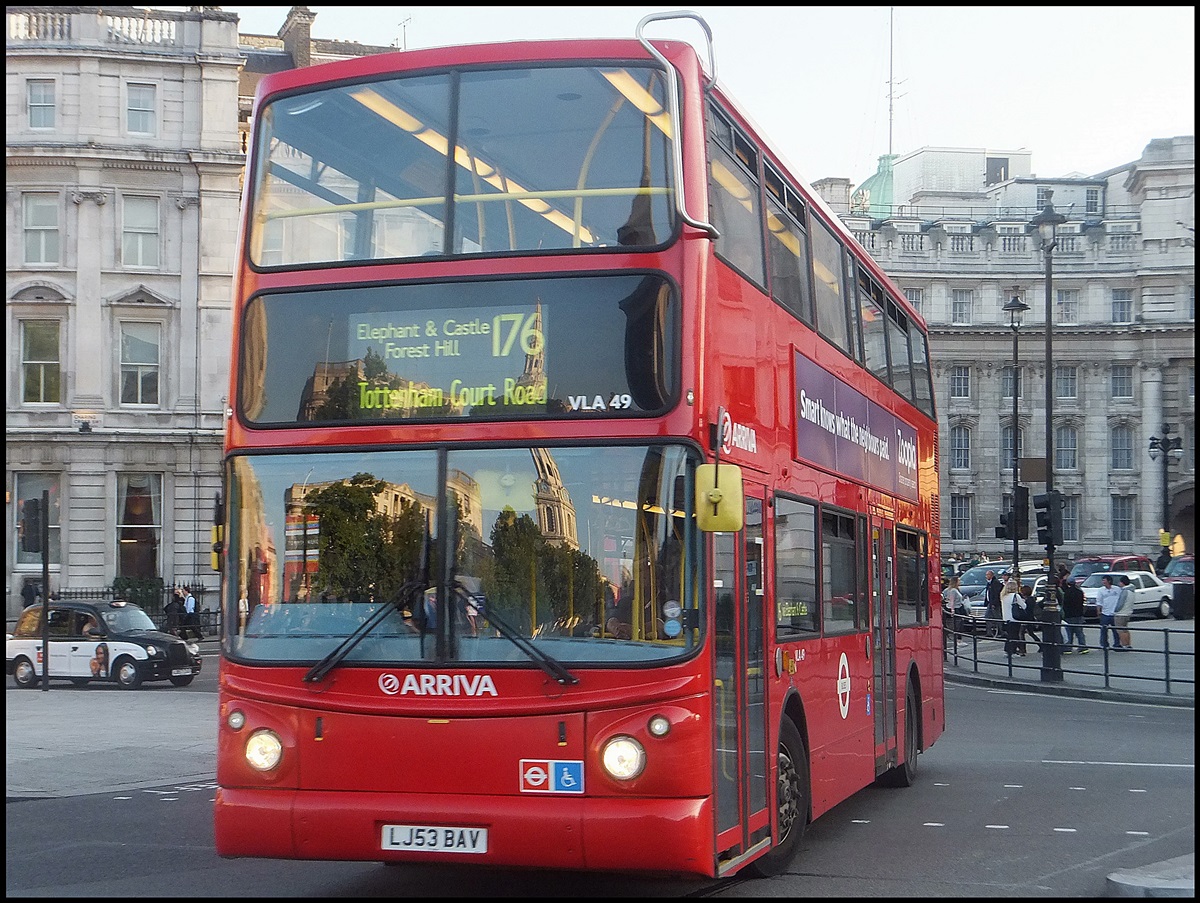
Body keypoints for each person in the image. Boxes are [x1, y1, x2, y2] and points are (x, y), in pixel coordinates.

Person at [1060, 577, 1089, 654]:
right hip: (1078, 614)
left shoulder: (1066, 593)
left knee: (1069, 632)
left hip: (1069, 614)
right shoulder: (1079, 592)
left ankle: (1068, 648)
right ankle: (1083, 647)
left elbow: (1064, 604)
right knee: (1079, 632)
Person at [1095, 574, 1123, 650]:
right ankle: (1104, 644)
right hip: (1105, 613)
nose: (1103, 582)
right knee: (1104, 630)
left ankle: (1117, 644)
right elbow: (1099, 601)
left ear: (1109, 581)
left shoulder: (1117, 589)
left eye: (1104, 580)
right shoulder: (1101, 590)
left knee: (1116, 630)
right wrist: (1099, 611)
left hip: (1115, 613)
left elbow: (1121, 599)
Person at [1000, 576, 1026, 656]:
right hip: (1014, 618)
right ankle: (1013, 651)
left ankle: (1007, 650)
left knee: (1009, 635)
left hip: (1006, 618)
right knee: (1014, 635)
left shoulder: (1004, 596)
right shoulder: (1015, 596)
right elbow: (1024, 606)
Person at [1114, 575, 1136, 650]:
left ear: (1122, 582)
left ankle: (1124, 645)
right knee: (1125, 630)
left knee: (1120, 630)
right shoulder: (1132, 591)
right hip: (1128, 612)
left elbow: (1121, 603)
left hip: (1121, 613)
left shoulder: (1125, 591)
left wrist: (1115, 610)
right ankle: (1128, 644)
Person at [984, 569, 1003, 638]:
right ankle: (989, 632)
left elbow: (996, 594)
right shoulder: (989, 583)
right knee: (987, 617)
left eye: (988, 575)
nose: (986, 576)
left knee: (997, 617)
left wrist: (994, 603)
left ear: (991, 575)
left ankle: (1002, 631)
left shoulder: (995, 583)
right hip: (990, 603)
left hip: (994, 603)